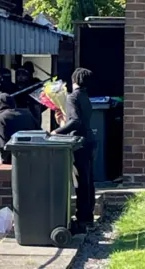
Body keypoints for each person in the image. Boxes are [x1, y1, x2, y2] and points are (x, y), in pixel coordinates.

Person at [52, 68, 96, 233]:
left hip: (79, 143)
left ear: (74, 80)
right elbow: (78, 119)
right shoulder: (85, 97)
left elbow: (75, 121)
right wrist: (63, 120)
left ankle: (82, 219)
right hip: (90, 140)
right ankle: (88, 217)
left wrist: (56, 132)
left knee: (81, 182)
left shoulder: (72, 97)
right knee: (88, 180)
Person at [0, 93, 40, 203]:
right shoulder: (27, 113)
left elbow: (2, 146)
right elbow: (39, 132)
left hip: (13, 156)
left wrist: (3, 163)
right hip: (32, 154)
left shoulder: (0, 118)